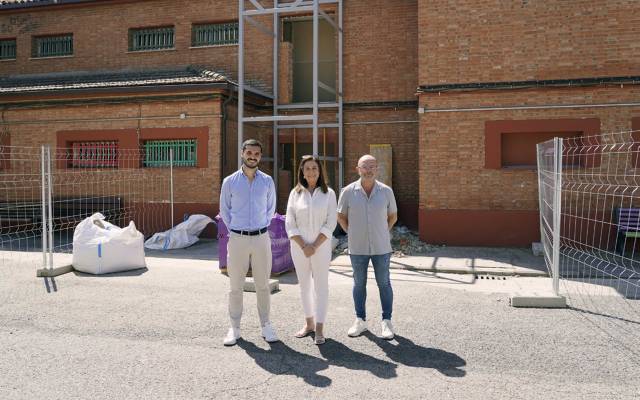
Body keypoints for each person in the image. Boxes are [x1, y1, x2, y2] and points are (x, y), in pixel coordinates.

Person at [219, 139, 278, 346]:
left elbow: (271, 210)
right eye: (249, 152)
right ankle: (234, 328)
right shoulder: (230, 182)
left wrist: (259, 228)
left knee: (263, 285)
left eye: (257, 154)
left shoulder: (267, 181)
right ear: (242, 153)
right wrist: (237, 230)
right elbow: (225, 211)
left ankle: (266, 325)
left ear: (260, 156)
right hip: (237, 239)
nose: (253, 156)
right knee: (235, 286)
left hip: (261, 238)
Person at [337, 154, 398, 340]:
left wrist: (382, 231)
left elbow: (393, 216)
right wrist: (352, 233)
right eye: (365, 166)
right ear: (358, 169)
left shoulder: (386, 191)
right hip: (357, 248)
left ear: (377, 169)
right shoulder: (347, 192)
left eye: (372, 166)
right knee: (358, 284)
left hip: (381, 247)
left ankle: (386, 321)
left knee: (384, 284)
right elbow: (341, 216)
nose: (369, 170)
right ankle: (360, 320)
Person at [285, 155, 337, 345]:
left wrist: (314, 246)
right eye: (307, 168)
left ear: (320, 171)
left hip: (321, 247)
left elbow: (331, 222)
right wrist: (303, 245)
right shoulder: (295, 193)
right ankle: (309, 324)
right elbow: (289, 222)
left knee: (321, 287)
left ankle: (320, 328)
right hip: (299, 247)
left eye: (314, 168)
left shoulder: (329, 193)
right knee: (304, 286)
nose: (311, 172)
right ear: (302, 171)